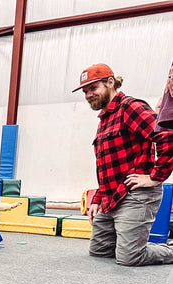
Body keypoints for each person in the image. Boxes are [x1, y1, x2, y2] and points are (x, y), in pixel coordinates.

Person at [73, 63, 173, 266]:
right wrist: (97, 199)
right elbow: (106, 168)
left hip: (135, 195)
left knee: (130, 257)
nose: (88, 95)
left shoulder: (130, 107)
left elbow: (166, 134)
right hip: (111, 197)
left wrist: (156, 177)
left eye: (93, 88)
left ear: (111, 83)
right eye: (85, 91)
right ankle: (128, 242)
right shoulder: (104, 119)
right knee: (99, 252)